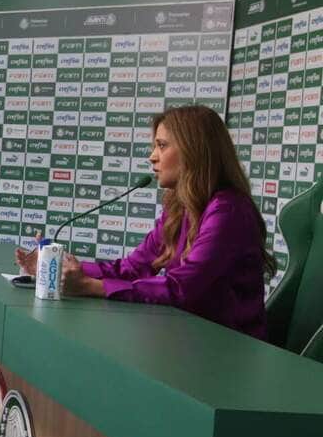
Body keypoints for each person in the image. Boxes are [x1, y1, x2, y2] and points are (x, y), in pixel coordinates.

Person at [15, 105, 274, 339]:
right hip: (191, 340)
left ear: (193, 151)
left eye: (162, 146)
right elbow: (133, 267)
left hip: (230, 349)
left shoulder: (227, 210)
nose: (152, 156)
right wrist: (60, 266)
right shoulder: (180, 209)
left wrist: (90, 287)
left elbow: (181, 289)